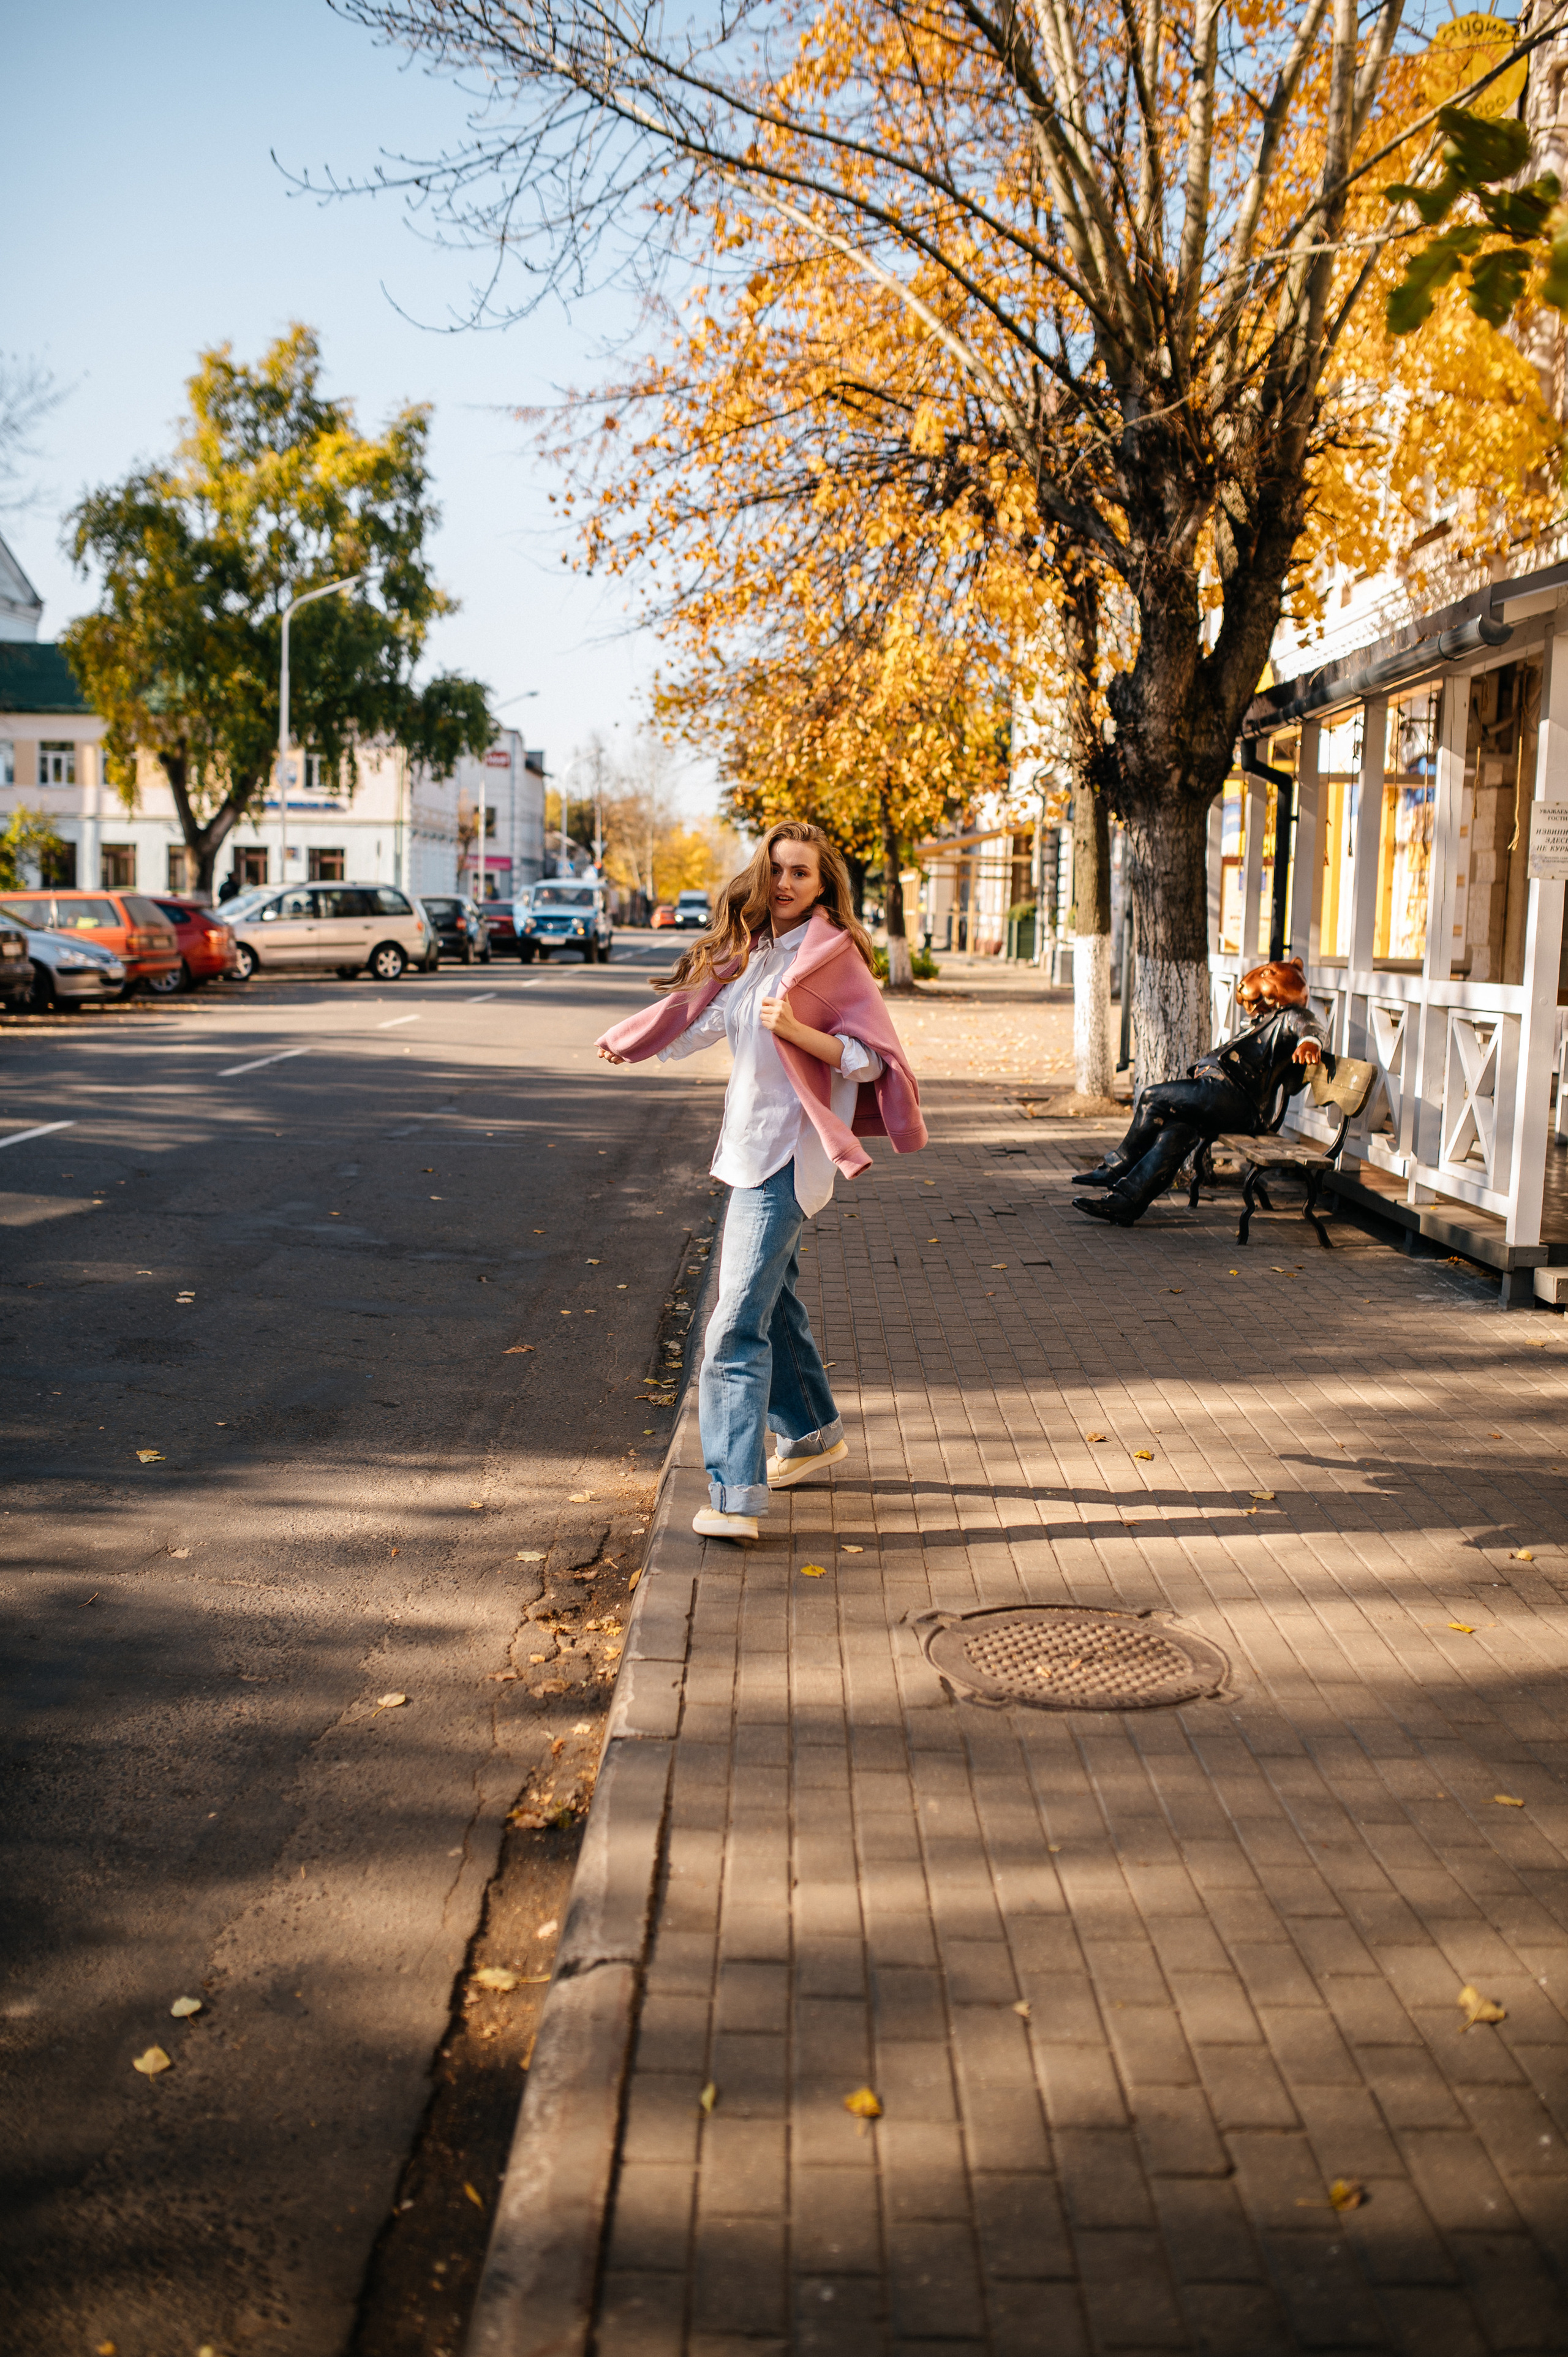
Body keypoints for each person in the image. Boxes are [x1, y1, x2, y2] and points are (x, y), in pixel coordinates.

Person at [595, 821, 927, 1544]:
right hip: (743, 1147)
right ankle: (810, 1434)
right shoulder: (753, 953)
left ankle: (733, 1492)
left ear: (823, 883)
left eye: (800, 873)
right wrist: (639, 1044)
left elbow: (872, 1062)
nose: (783, 884)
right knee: (771, 1304)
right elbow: (707, 1018)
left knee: (733, 1325)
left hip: (789, 1155)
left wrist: (801, 1032)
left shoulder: (834, 957)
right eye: (775, 869)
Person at [1073, 956, 1329, 1226]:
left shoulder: (1290, 1016)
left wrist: (1311, 1043)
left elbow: (1310, 1025)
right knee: (1177, 1133)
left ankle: (1118, 1165)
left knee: (1153, 1097)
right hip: (1226, 1096)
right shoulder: (1267, 1018)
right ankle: (1125, 1202)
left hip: (1238, 1100)